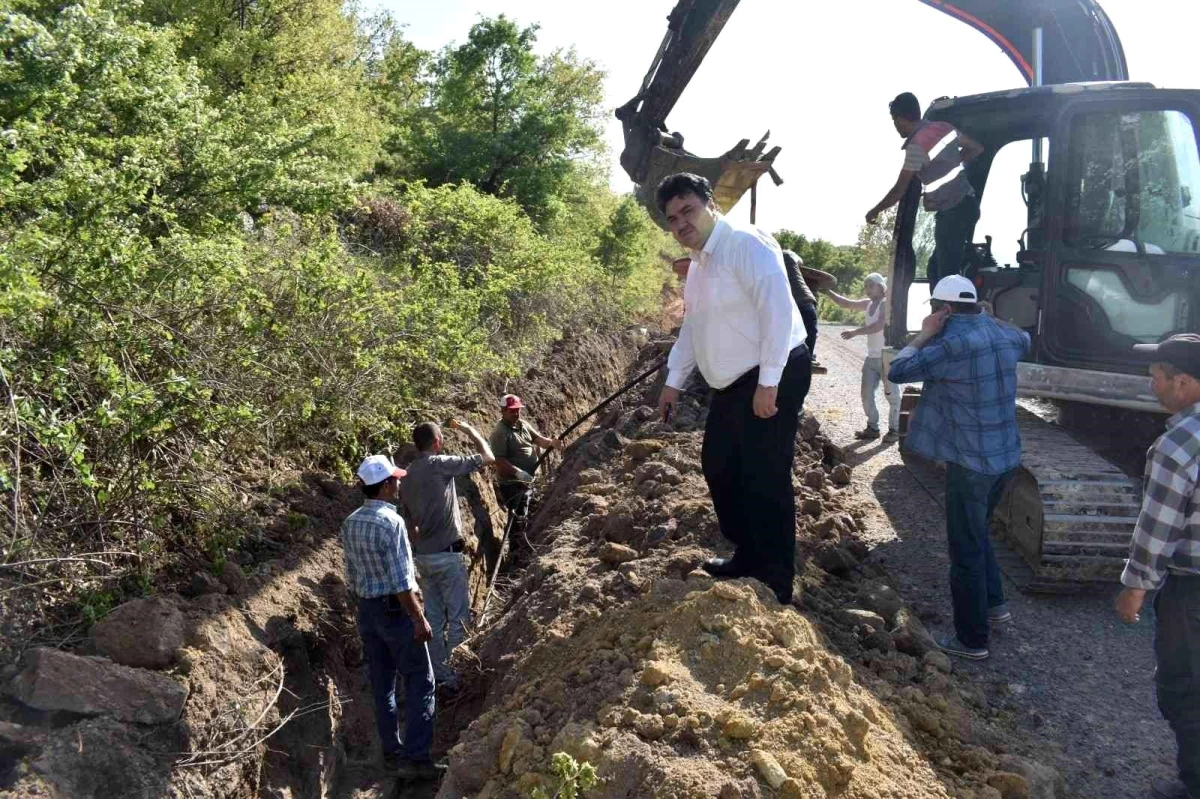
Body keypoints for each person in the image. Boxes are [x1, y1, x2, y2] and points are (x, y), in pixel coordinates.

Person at [654, 172, 811, 605]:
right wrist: (673, 382)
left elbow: (777, 311)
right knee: (720, 467)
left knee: (766, 475)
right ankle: (748, 553)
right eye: (673, 218)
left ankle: (777, 578)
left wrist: (769, 382)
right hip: (732, 384)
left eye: (688, 210)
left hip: (771, 370)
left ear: (710, 204)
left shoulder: (744, 243)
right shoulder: (700, 266)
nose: (681, 222)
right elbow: (693, 327)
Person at [887, 275, 1028, 660]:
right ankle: (996, 606)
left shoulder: (951, 344)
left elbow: (897, 372)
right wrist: (989, 318)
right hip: (1006, 458)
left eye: (935, 308)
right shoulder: (1006, 336)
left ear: (944, 309)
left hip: (971, 462)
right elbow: (1024, 339)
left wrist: (921, 335)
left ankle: (972, 640)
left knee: (964, 548)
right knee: (978, 532)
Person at [1113, 333, 1200, 799]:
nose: (1152, 387)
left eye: (1157, 378)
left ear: (1184, 382)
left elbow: (1157, 528)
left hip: (1192, 589)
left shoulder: (1179, 445)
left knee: (1184, 689)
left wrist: (1135, 586)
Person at [340, 455, 441, 779]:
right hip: (396, 612)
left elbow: (352, 574)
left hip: (368, 612)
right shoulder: (392, 522)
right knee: (421, 682)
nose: (399, 484)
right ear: (385, 486)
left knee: (382, 684)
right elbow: (400, 582)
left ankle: (392, 754)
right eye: (395, 480)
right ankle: (417, 760)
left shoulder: (351, 522)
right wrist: (418, 619)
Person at [402, 419, 494, 695]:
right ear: (438, 442)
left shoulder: (406, 475)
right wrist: (468, 429)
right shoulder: (440, 464)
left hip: (423, 558)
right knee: (457, 617)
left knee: (433, 619)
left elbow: (407, 520)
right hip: (448, 556)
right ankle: (459, 674)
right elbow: (487, 457)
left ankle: (441, 676)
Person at [865, 92, 984, 289]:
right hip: (969, 205)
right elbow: (976, 148)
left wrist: (875, 210)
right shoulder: (944, 128)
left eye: (895, 120)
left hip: (952, 212)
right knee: (935, 268)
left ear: (901, 119)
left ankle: (952, 315)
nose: (895, 126)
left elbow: (899, 190)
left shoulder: (916, 147)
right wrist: (952, 164)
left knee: (947, 278)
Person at [825, 273, 901, 444]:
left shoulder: (885, 304)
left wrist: (855, 332)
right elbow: (845, 303)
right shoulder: (868, 304)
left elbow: (880, 324)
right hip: (872, 356)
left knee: (892, 395)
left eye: (870, 285)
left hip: (888, 355)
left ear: (881, 287)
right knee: (866, 394)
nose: (866, 289)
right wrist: (827, 291)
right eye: (865, 286)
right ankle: (872, 428)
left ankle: (894, 430)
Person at [488, 394, 562, 514]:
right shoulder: (500, 433)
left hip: (529, 478)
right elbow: (499, 460)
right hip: (513, 484)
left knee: (532, 511)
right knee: (518, 516)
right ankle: (518, 532)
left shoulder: (522, 424)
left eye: (518, 410)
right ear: (503, 411)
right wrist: (518, 473)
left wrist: (551, 443)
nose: (516, 414)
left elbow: (538, 439)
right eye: (512, 411)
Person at [781, 249, 827, 375]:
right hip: (804, 305)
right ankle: (807, 360)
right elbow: (799, 260)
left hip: (794, 305)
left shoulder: (782, 255)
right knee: (808, 336)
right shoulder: (788, 256)